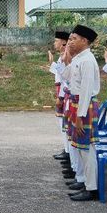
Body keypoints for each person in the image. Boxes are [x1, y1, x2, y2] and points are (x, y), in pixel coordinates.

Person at [64, 24, 101, 202]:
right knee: (79, 146)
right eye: (70, 39)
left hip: (83, 106)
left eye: (73, 39)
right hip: (77, 104)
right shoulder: (78, 58)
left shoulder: (87, 60)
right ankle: (85, 181)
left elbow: (86, 90)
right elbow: (66, 77)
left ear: (84, 41)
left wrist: (80, 116)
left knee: (87, 149)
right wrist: (66, 60)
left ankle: (92, 188)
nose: (70, 42)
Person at [48, 30, 72, 162]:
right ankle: (66, 149)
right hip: (62, 92)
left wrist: (61, 97)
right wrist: (52, 63)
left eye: (56, 41)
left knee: (65, 123)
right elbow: (59, 73)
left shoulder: (67, 57)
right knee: (62, 123)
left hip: (64, 93)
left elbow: (65, 80)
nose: (54, 43)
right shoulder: (62, 56)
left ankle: (68, 152)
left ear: (63, 42)